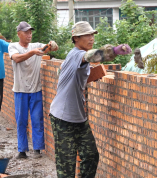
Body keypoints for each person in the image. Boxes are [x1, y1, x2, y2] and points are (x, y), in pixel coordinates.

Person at [49, 21, 112, 178]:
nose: (91, 38)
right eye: (87, 35)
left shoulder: (77, 59)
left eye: (92, 35)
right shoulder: (76, 54)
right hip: (62, 118)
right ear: (76, 38)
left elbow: (69, 74)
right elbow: (89, 56)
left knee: (91, 156)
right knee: (67, 166)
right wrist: (113, 51)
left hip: (79, 118)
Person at [8, 22, 59, 159]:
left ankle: (38, 149)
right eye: (26, 32)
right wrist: (32, 53)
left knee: (37, 119)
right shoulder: (13, 46)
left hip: (36, 89)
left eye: (30, 32)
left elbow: (49, 48)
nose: (29, 35)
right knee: (21, 121)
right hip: (20, 90)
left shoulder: (36, 46)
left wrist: (51, 45)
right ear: (19, 34)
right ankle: (22, 150)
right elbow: (17, 58)